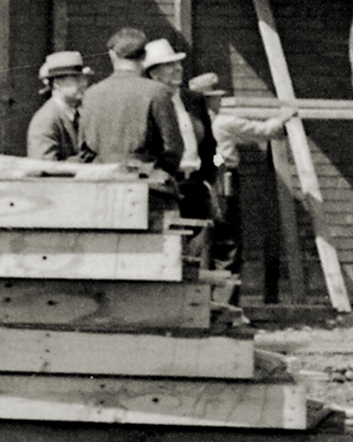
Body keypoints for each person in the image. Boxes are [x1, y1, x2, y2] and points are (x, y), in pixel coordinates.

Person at [194, 72, 297, 274]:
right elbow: (262, 131)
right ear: (211, 99)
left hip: (201, 180)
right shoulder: (223, 122)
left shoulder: (191, 122)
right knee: (227, 237)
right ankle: (225, 296)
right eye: (217, 97)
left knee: (206, 236)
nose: (220, 101)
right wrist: (282, 118)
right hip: (223, 179)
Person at [77, 26, 183, 174]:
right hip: (147, 184)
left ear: (112, 55)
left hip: (101, 182)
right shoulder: (157, 92)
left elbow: (84, 148)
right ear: (145, 56)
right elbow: (173, 149)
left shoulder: (91, 94)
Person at [143, 37, 215, 218]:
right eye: (169, 65)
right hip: (163, 189)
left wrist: (209, 179)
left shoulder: (195, 100)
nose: (178, 69)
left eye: (178, 63)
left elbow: (211, 147)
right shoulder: (148, 103)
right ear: (153, 73)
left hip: (196, 187)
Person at [26, 50, 91, 162]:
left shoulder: (79, 113)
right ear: (57, 84)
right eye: (77, 79)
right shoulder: (45, 120)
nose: (84, 83)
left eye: (84, 78)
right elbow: (43, 166)